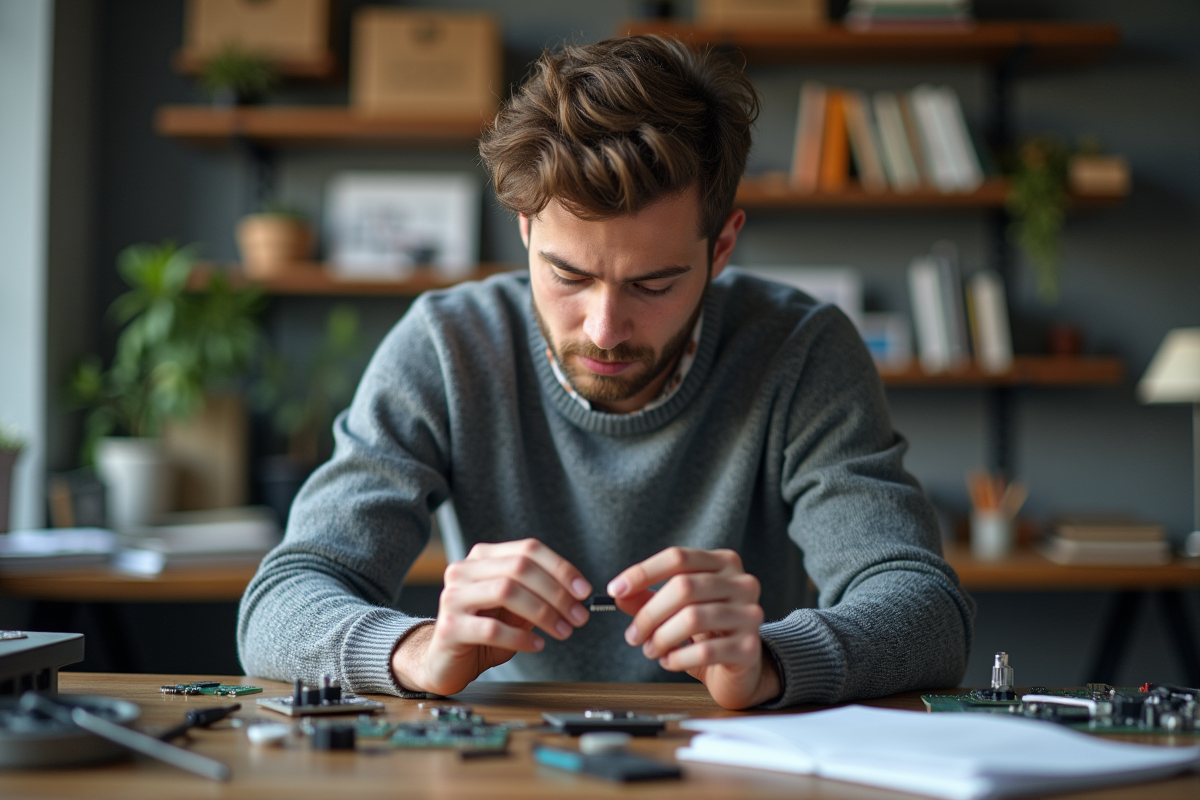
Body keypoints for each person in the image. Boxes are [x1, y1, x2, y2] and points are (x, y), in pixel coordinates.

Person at [238, 35, 973, 710]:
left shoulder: (801, 350)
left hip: (735, 757)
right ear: (524, 227)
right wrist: (415, 651)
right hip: (504, 757)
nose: (604, 329)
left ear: (721, 249)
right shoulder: (445, 345)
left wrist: (773, 663)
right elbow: (282, 601)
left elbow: (925, 609)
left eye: (653, 285)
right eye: (567, 275)